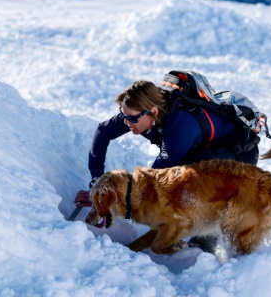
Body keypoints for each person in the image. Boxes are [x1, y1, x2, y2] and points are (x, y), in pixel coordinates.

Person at [74, 79, 259, 208]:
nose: (125, 122)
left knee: (190, 183)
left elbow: (151, 180)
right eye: (122, 114)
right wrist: (97, 181)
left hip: (238, 155)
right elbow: (103, 131)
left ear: (153, 111)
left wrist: (109, 198)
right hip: (201, 148)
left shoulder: (180, 126)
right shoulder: (138, 114)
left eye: (130, 118)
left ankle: (204, 242)